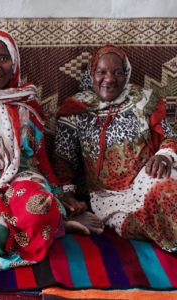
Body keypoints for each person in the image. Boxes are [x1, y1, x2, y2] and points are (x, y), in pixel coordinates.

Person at [0, 29, 102, 270]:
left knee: (40, 208)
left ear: (14, 61)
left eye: (3, 58)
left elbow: (41, 157)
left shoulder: (28, 103)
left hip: (22, 177)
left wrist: (60, 194)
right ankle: (56, 228)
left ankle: (52, 218)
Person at [54, 45, 177, 251]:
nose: (109, 79)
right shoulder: (75, 110)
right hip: (109, 197)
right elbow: (63, 160)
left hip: (149, 178)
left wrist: (164, 156)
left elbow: (170, 136)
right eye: (101, 72)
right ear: (92, 74)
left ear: (126, 74)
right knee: (136, 224)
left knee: (165, 194)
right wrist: (70, 198)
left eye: (117, 72)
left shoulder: (143, 100)